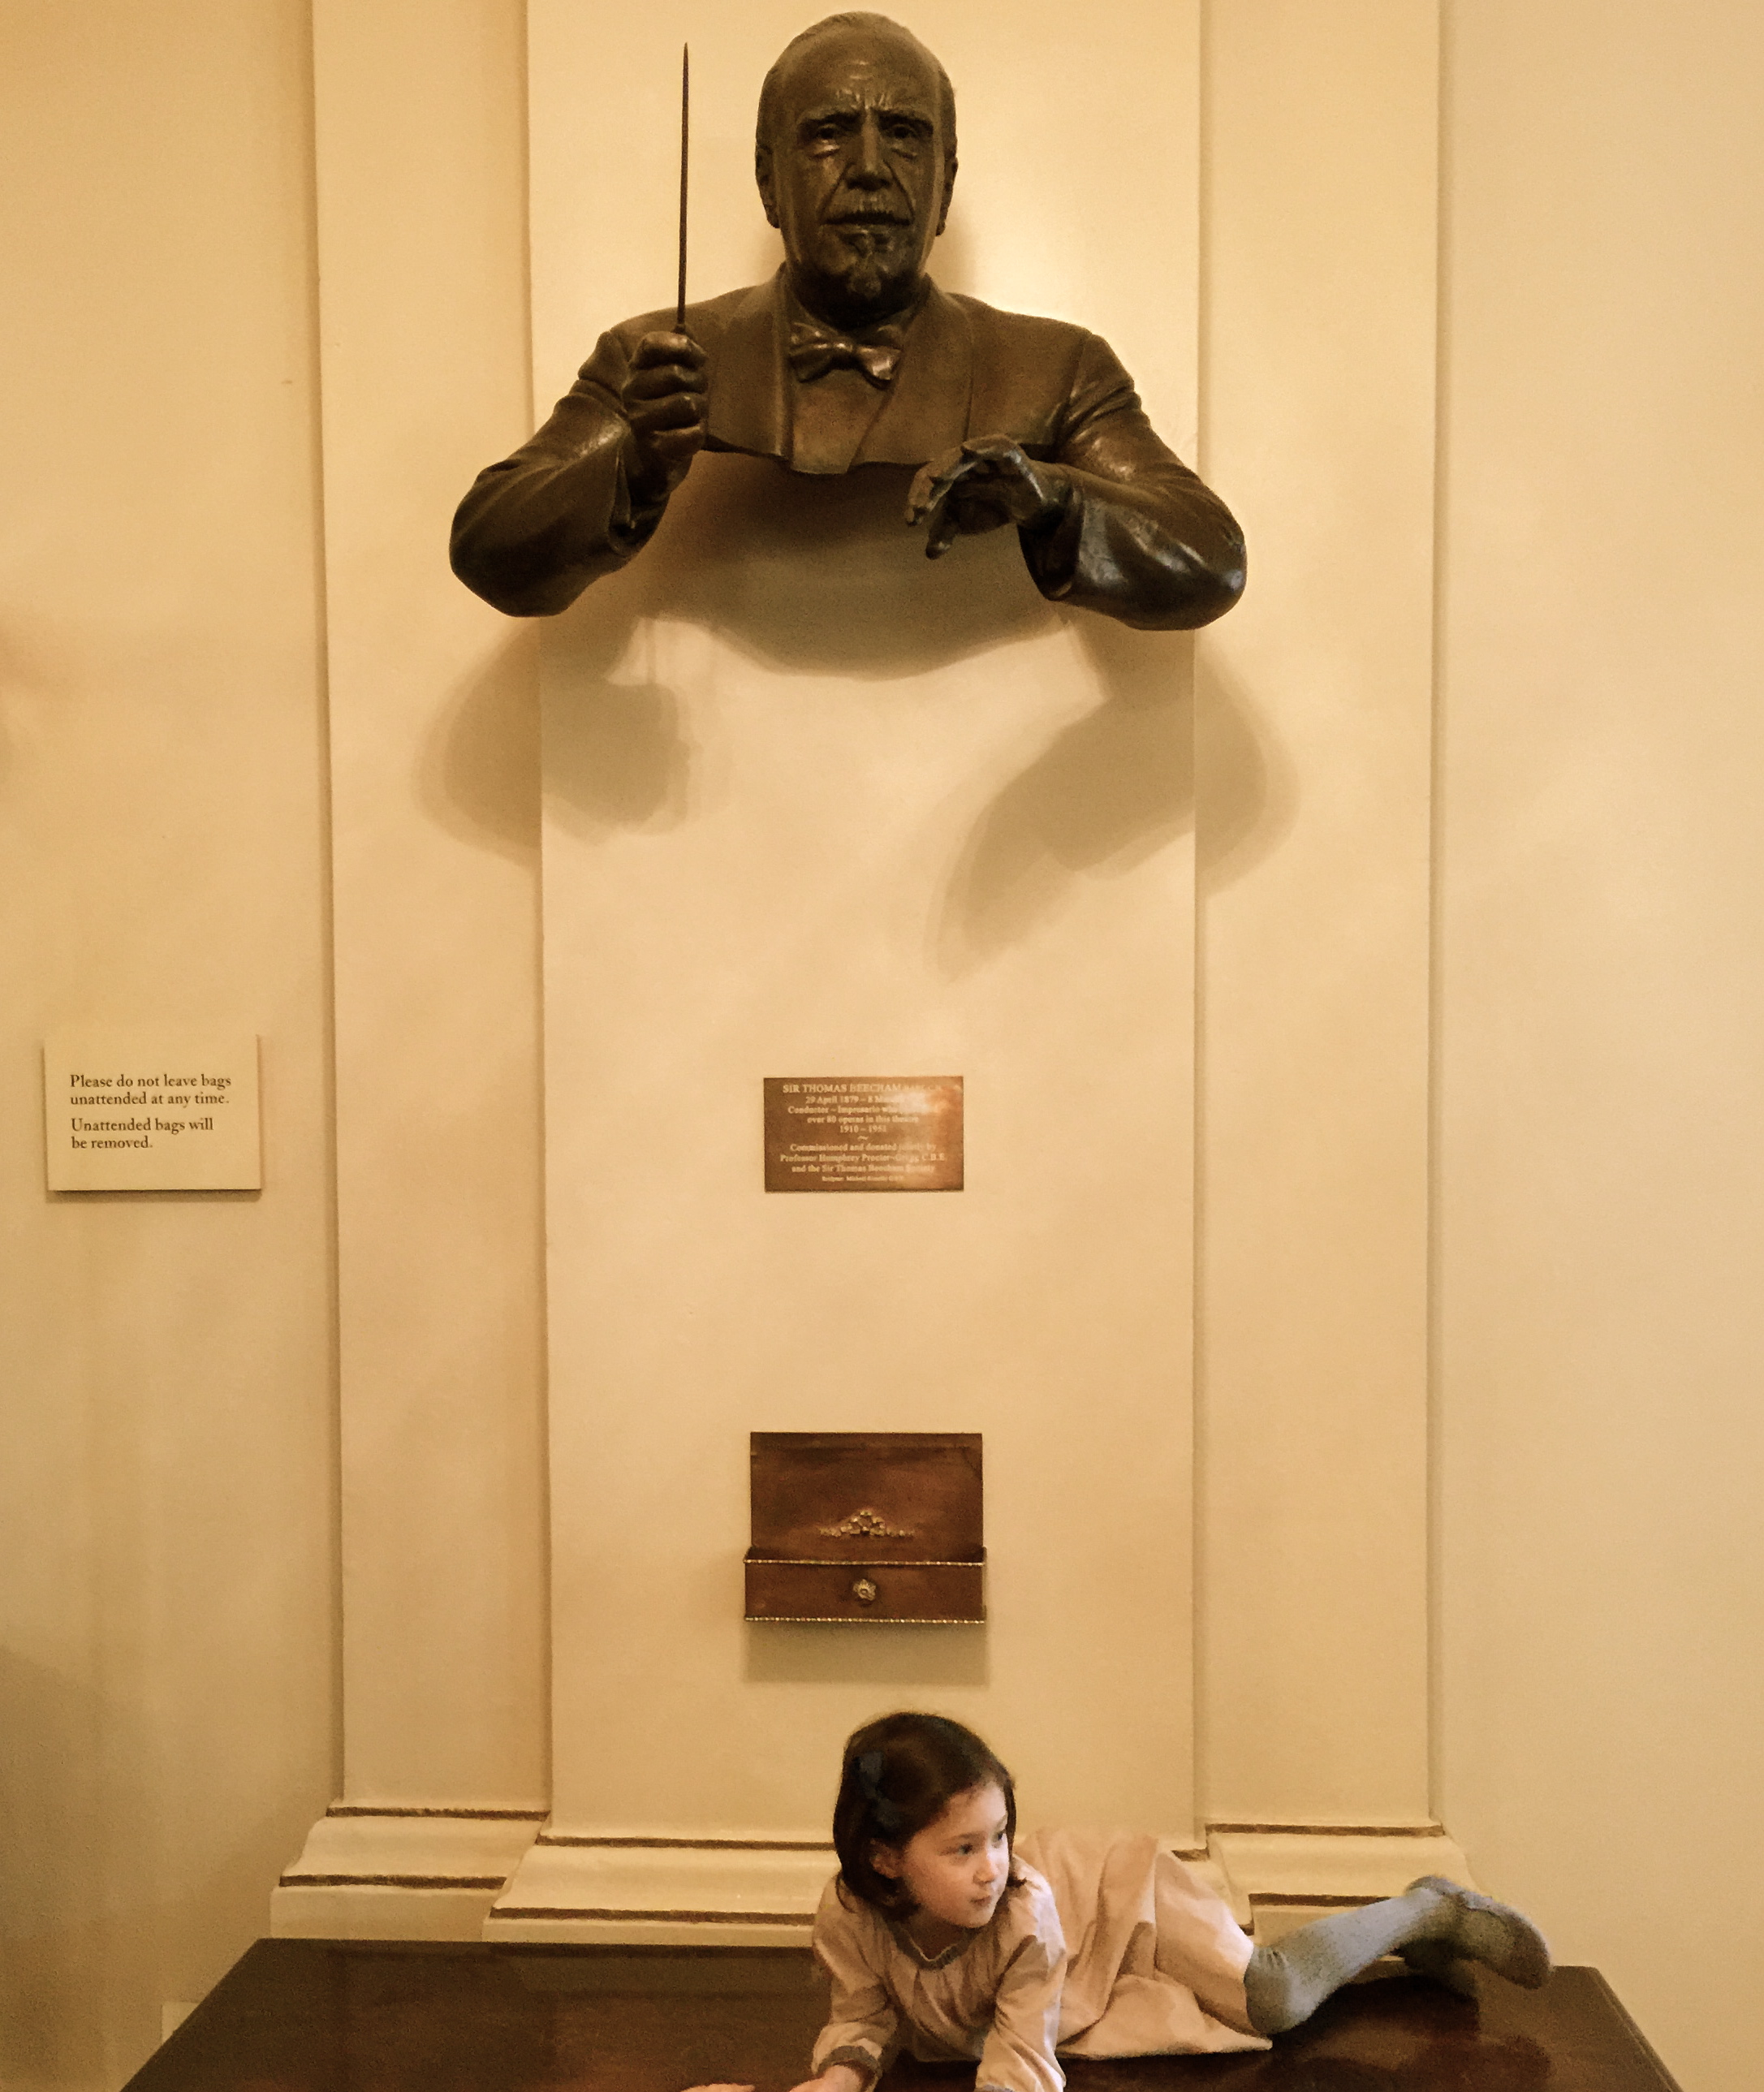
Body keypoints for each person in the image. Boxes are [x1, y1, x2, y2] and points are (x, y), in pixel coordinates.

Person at [450, 13, 1245, 632]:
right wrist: (637, 463)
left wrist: (1050, 498)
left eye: (903, 135)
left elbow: (1209, 560)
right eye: (828, 133)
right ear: (769, 181)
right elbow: (489, 549)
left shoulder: (1053, 369)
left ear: (944, 185)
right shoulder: (661, 360)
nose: (868, 168)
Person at [688, 1710, 1552, 2092]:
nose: (990, 1867)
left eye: (999, 1836)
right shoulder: (850, 1913)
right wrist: (837, 2076)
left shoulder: (1019, 1909)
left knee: (1273, 1996)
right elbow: (865, 2013)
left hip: (1112, 1895)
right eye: (961, 1849)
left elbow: (1019, 2062)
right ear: (884, 1860)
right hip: (1076, 1964)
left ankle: (1429, 1909)